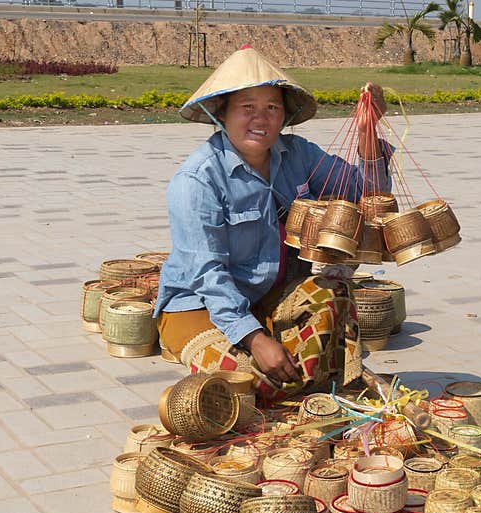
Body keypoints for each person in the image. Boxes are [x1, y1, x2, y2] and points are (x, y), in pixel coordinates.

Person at [155, 45, 391, 401]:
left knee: (335, 293)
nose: (260, 119)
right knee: (248, 385)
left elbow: (369, 194)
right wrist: (255, 339)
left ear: (284, 115)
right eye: (247, 108)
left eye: (272, 108)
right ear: (223, 114)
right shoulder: (197, 180)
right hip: (200, 305)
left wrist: (367, 135)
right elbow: (208, 274)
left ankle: (316, 376)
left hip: (268, 296)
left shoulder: (299, 154)